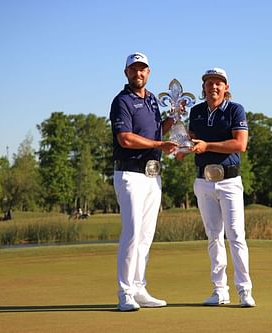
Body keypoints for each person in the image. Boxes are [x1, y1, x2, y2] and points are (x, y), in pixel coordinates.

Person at [109, 52, 178, 312]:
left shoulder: (151, 101)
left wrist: (174, 117)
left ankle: (139, 288)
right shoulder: (122, 101)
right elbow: (125, 138)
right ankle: (125, 292)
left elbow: (158, 131)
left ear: (149, 73)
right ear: (126, 72)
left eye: (143, 69)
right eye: (134, 69)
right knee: (132, 232)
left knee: (146, 236)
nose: (139, 73)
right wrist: (160, 144)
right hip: (130, 174)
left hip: (152, 175)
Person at [182, 67, 256, 307]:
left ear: (226, 87)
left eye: (218, 83)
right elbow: (188, 140)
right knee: (214, 237)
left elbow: (240, 144)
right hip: (203, 182)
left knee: (236, 236)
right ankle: (219, 291)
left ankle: (244, 291)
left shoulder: (235, 110)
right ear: (203, 87)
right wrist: (181, 148)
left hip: (229, 181)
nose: (213, 86)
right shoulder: (196, 111)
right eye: (209, 83)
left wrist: (207, 146)